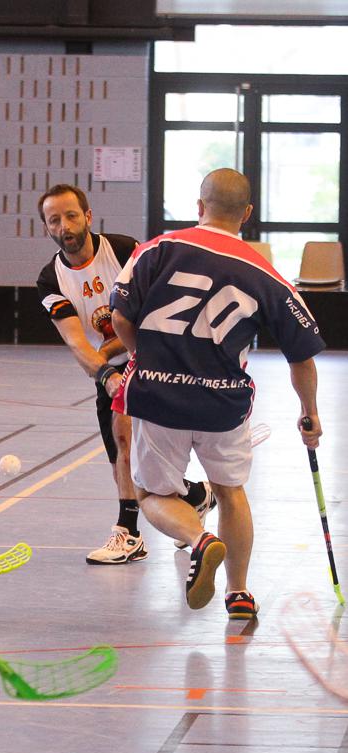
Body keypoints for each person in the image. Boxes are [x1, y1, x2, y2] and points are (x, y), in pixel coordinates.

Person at [109, 167, 325, 618]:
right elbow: (301, 355)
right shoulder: (266, 274)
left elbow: (120, 317)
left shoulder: (156, 249)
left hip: (159, 397)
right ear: (246, 213)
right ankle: (239, 594)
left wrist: (143, 358)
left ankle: (198, 539)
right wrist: (309, 412)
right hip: (223, 403)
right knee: (231, 492)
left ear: (198, 205)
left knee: (151, 496)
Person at [36, 183, 215, 565]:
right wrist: (104, 374)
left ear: (87, 216)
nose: (64, 226)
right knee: (126, 457)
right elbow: (75, 342)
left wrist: (114, 350)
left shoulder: (124, 250)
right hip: (108, 370)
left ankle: (128, 532)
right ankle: (195, 497)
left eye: (71, 215)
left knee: (124, 436)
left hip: (150, 352)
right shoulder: (50, 280)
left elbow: (153, 314)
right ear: (47, 229)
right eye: (54, 220)